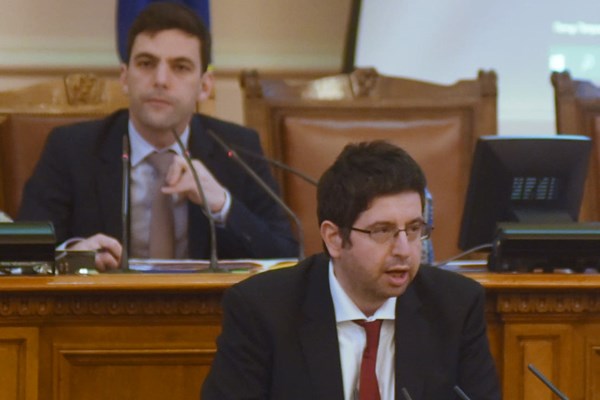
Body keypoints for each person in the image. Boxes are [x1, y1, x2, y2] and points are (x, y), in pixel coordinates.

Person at [201, 141, 501, 399]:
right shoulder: (263, 311)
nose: (404, 249)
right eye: (382, 231)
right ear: (334, 238)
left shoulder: (455, 307)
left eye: (413, 229)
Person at [17, 2, 298, 271]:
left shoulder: (236, 148)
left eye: (180, 67)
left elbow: (287, 256)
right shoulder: (72, 148)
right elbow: (22, 255)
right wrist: (72, 255)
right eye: (146, 63)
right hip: (104, 304)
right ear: (125, 77)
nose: (161, 80)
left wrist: (223, 205)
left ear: (204, 86)